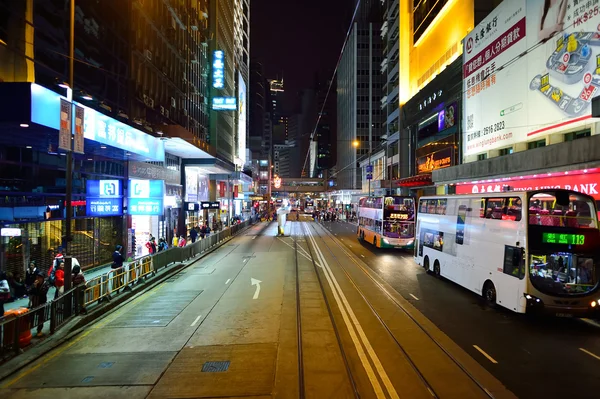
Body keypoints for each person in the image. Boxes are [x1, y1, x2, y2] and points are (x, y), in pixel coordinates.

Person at [28, 272, 50, 337]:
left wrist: (35, 289)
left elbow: (42, 293)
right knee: (31, 317)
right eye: (37, 277)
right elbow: (29, 291)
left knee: (41, 317)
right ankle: (29, 330)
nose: (38, 279)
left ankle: (39, 330)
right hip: (34, 302)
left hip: (41, 302)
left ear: (43, 278)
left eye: (40, 278)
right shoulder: (35, 284)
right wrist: (34, 286)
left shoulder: (46, 284)